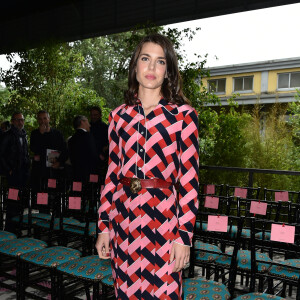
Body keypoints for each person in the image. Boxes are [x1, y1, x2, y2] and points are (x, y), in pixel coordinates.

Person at [96, 34, 199, 299]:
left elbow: (189, 181)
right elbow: (111, 176)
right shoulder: (118, 116)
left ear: (168, 71)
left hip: (164, 223)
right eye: (145, 59)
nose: (151, 68)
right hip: (123, 220)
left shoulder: (183, 116)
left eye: (160, 61)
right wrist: (104, 226)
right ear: (135, 65)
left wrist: (183, 236)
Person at [0, 112, 31, 232]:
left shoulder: (23, 135)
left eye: (22, 120)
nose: (20, 122)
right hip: (13, 174)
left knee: (21, 201)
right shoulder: (8, 135)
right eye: (17, 120)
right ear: (12, 121)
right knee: (12, 201)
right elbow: (1, 155)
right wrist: (9, 170)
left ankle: (17, 226)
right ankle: (10, 228)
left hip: (23, 174)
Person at [30, 110, 68, 190]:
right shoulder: (35, 134)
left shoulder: (57, 134)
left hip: (54, 171)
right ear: (37, 120)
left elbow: (65, 150)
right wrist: (41, 134)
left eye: (45, 118)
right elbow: (34, 148)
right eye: (40, 119)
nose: (42, 121)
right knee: (39, 195)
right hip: (39, 171)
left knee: (53, 195)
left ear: (49, 119)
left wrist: (59, 162)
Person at [68, 115, 99, 182]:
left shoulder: (71, 140)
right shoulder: (88, 137)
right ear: (82, 122)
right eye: (87, 122)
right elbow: (93, 155)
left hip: (75, 175)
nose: (89, 125)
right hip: (88, 175)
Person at [89, 106, 109, 175]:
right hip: (89, 159)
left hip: (101, 160)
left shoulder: (105, 127)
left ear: (100, 115)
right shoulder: (88, 127)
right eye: (92, 115)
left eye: (95, 115)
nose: (93, 117)